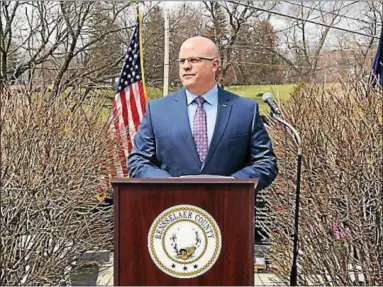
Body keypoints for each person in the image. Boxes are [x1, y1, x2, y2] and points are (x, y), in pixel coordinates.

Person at [128, 36, 277, 191]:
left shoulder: (245, 110)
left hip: (229, 207)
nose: (186, 66)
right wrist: (168, 184)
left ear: (214, 65)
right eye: (182, 61)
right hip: (173, 208)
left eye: (194, 60)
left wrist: (235, 184)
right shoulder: (157, 110)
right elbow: (138, 161)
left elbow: (265, 162)